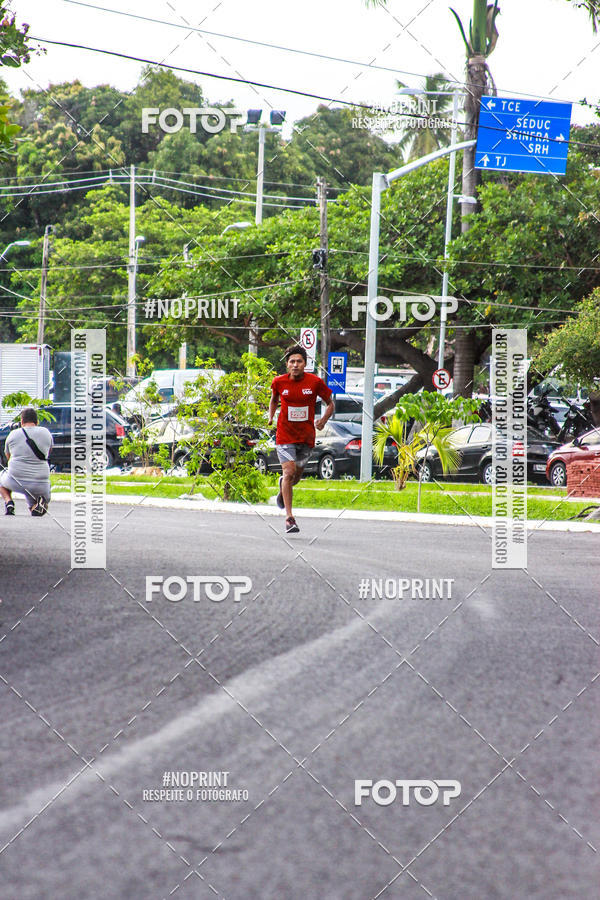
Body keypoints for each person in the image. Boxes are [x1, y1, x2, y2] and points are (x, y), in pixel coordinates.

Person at [269, 345, 335, 533]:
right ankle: (289, 518)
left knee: (295, 477)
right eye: (292, 362)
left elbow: (330, 403)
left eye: (299, 361)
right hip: (284, 435)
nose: (295, 365)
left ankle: (283, 488)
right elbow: (274, 399)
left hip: (306, 437)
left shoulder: (315, 382)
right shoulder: (279, 382)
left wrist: (323, 420)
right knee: (289, 472)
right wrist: (271, 417)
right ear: (287, 364)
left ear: (305, 364)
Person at [0, 407, 53, 516]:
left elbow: (8, 456)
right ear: (37, 421)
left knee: (1, 477)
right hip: (41, 482)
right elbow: (49, 452)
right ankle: (37, 504)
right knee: (33, 503)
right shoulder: (46, 433)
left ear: (22, 421)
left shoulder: (13, 434)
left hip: (16, 480)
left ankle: (9, 502)